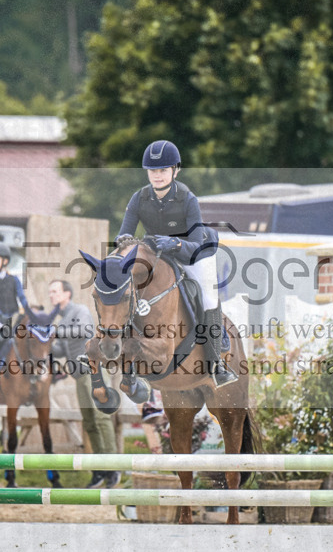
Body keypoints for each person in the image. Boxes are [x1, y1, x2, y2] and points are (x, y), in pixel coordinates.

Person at [116, 139, 236, 387]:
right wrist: (124, 245)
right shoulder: (139, 198)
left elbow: (195, 243)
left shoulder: (187, 198)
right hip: (158, 254)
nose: (157, 175)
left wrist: (176, 244)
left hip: (194, 253)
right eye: (152, 170)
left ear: (175, 170)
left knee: (207, 296)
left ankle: (216, 363)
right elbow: (124, 234)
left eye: (163, 170)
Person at [48, 279, 120, 488]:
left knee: (101, 418)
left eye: (55, 291)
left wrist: (56, 332)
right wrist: (43, 342)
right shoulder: (62, 320)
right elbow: (59, 350)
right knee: (89, 422)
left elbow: (83, 330)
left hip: (94, 372)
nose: (51, 295)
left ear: (67, 294)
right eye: (50, 292)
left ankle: (113, 467)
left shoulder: (80, 311)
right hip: (79, 376)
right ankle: (100, 470)